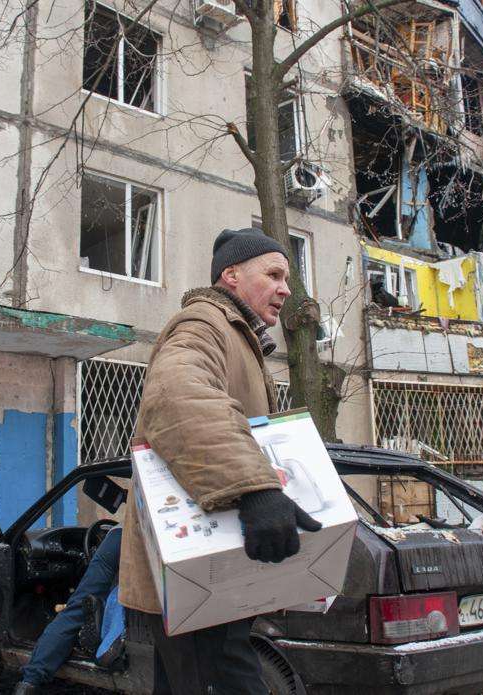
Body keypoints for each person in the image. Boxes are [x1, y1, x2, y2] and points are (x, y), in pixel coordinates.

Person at [118, 226, 322, 695]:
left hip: (211, 569)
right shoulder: (204, 324)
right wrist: (255, 490)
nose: (286, 289)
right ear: (231, 275)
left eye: (286, 277)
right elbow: (176, 396)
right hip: (199, 567)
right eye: (273, 274)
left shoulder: (241, 341)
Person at [13, 524, 123, 695]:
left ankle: (30, 681)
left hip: (122, 537)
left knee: (76, 611)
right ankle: (105, 635)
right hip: (153, 538)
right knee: (123, 597)